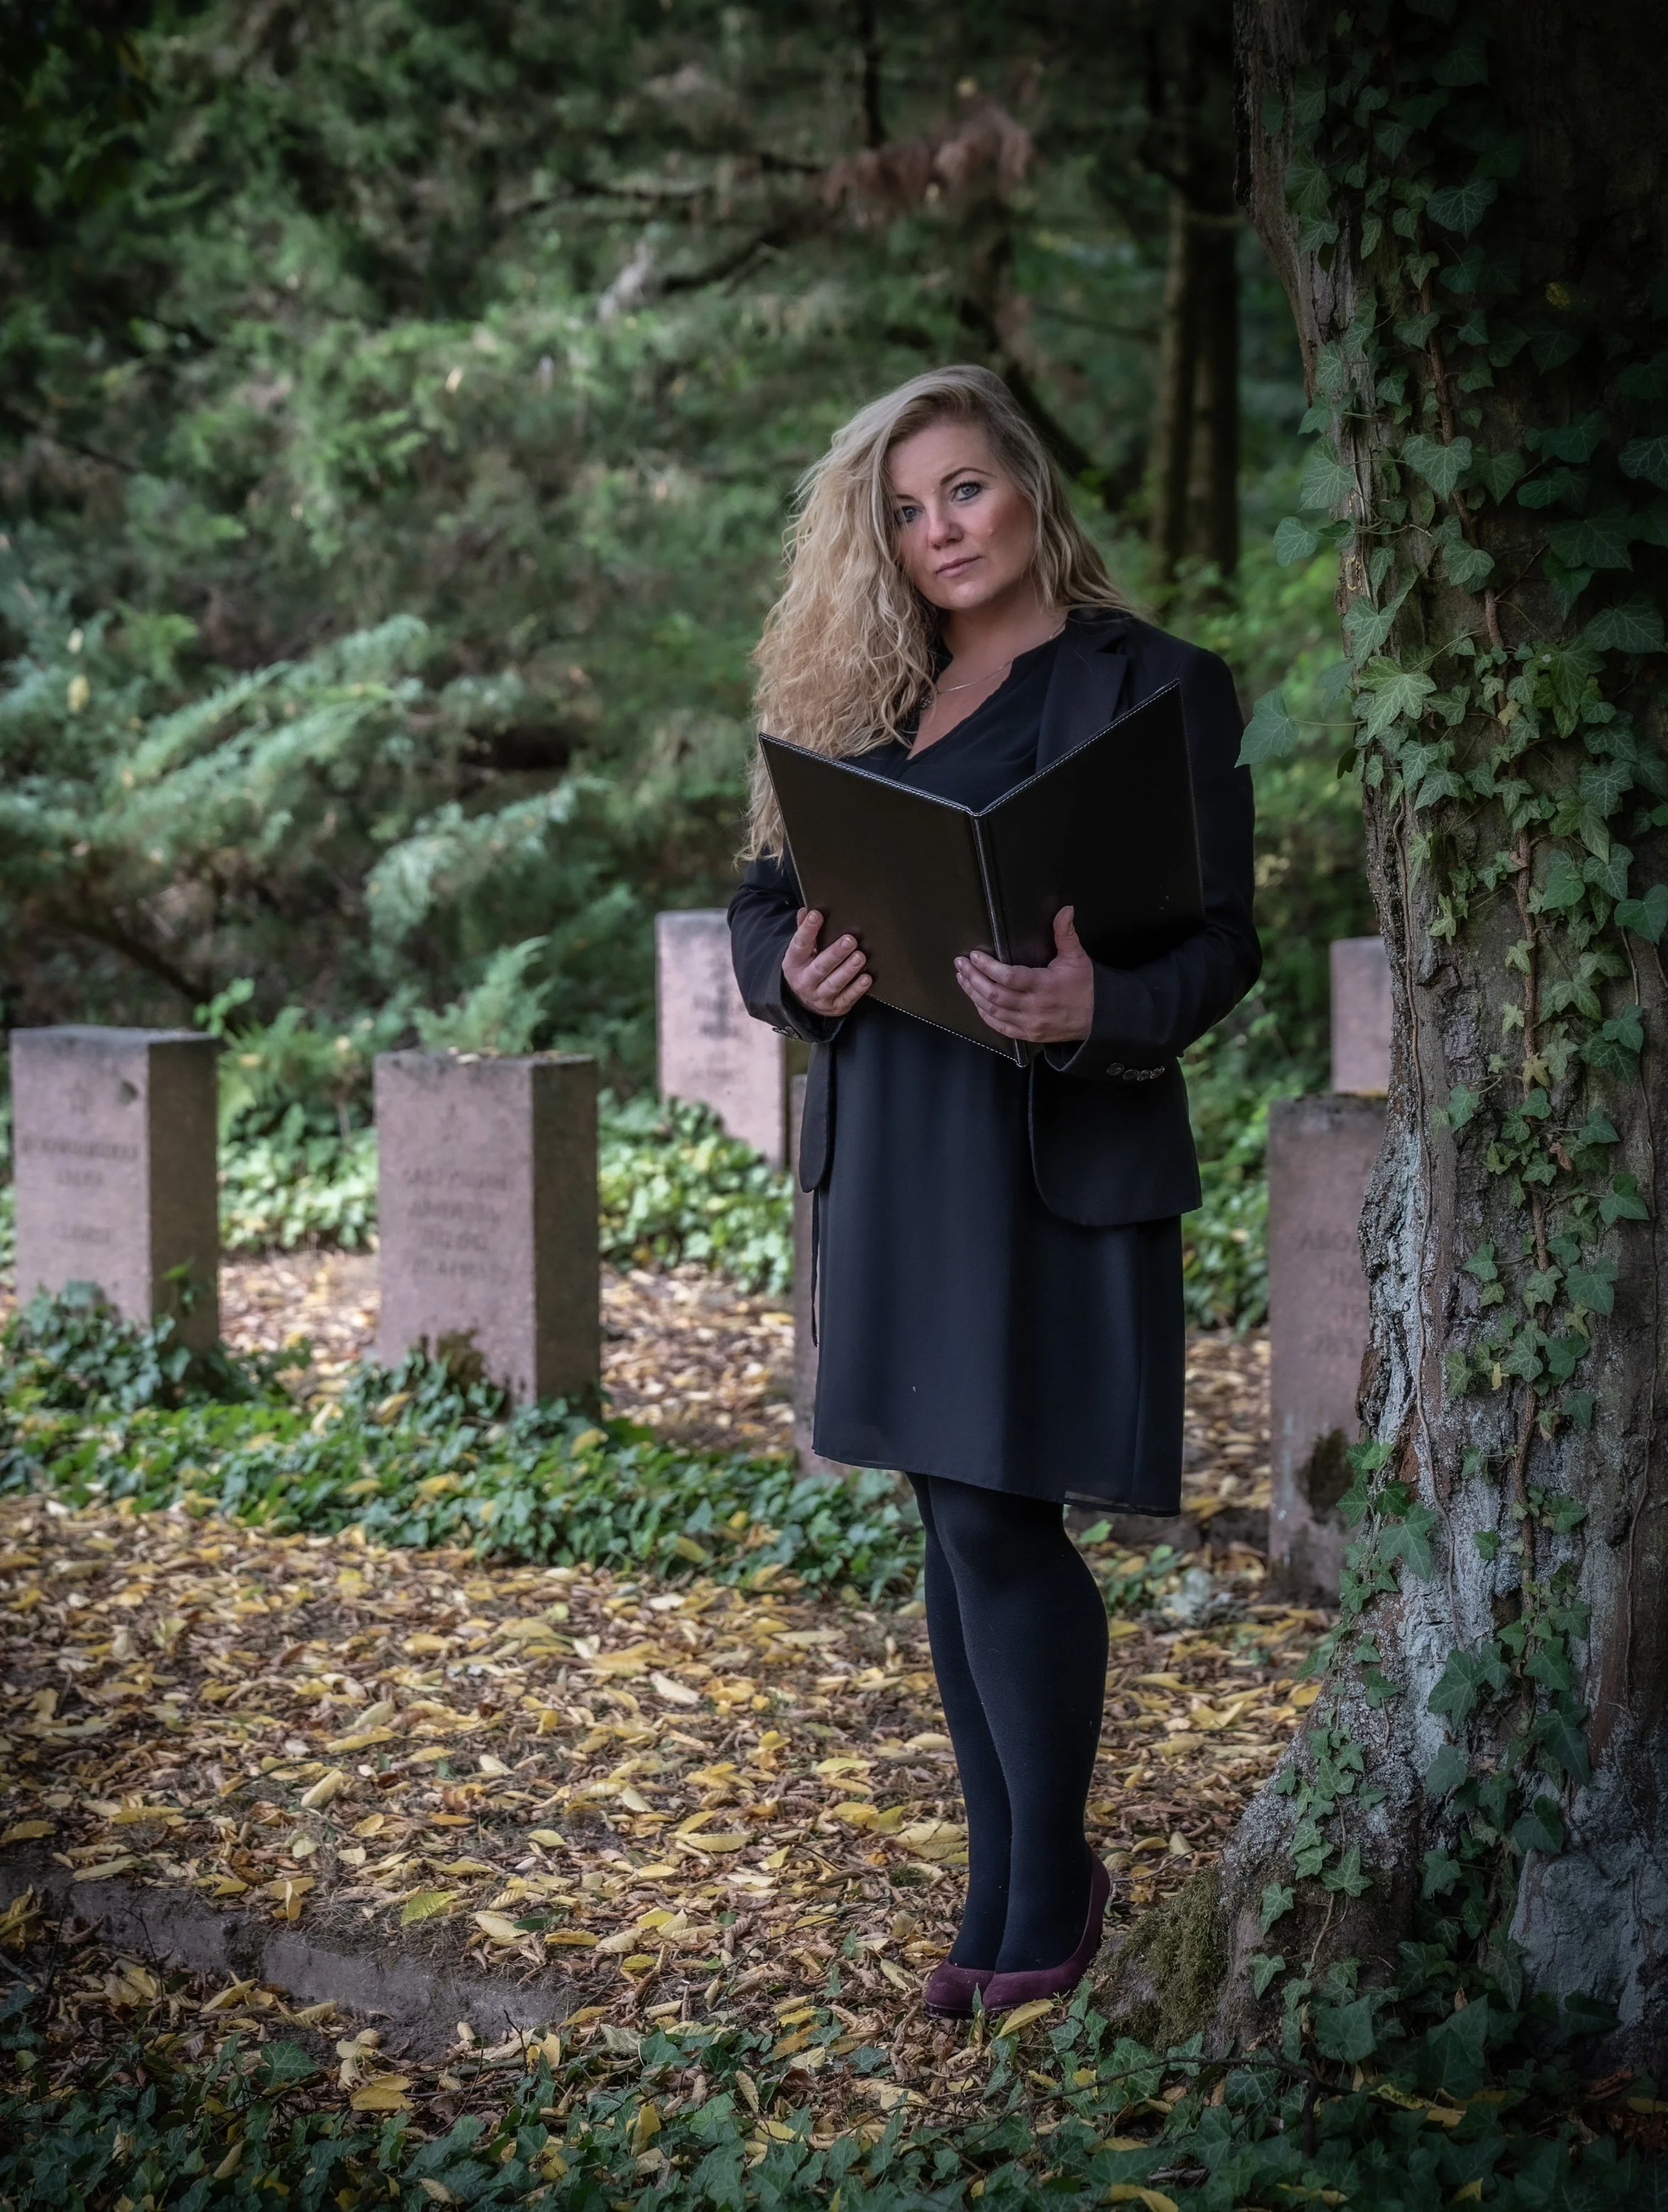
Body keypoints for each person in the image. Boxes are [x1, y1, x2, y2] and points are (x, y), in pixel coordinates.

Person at [726, 364, 1260, 2019]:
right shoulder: (865, 693)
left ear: (1026, 481)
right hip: (893, 1135)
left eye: (961, 487)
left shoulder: (1155, 684)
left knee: (994, 1510)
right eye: (903, 511)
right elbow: (761, 903)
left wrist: (1099, 1005)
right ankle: (998, 1886)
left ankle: (1051, 1883)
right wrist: (790, 974)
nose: (938, 530)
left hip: (1043, 1141)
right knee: (945, 1514)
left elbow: (1221, 942)